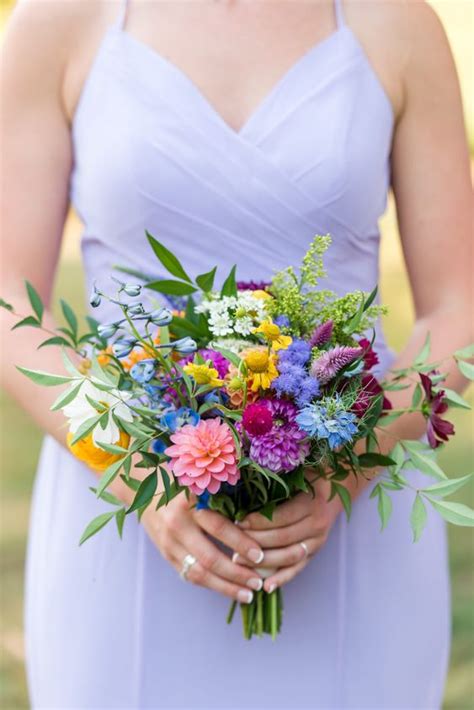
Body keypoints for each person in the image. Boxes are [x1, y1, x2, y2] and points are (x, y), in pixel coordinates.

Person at [1, 0, 472, 707]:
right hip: (123, 514)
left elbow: (458, 307)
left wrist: (345, 468)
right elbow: (10, 301)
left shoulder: (397, 24)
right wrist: (137, 469)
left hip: (349, 512)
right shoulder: (59, 21)